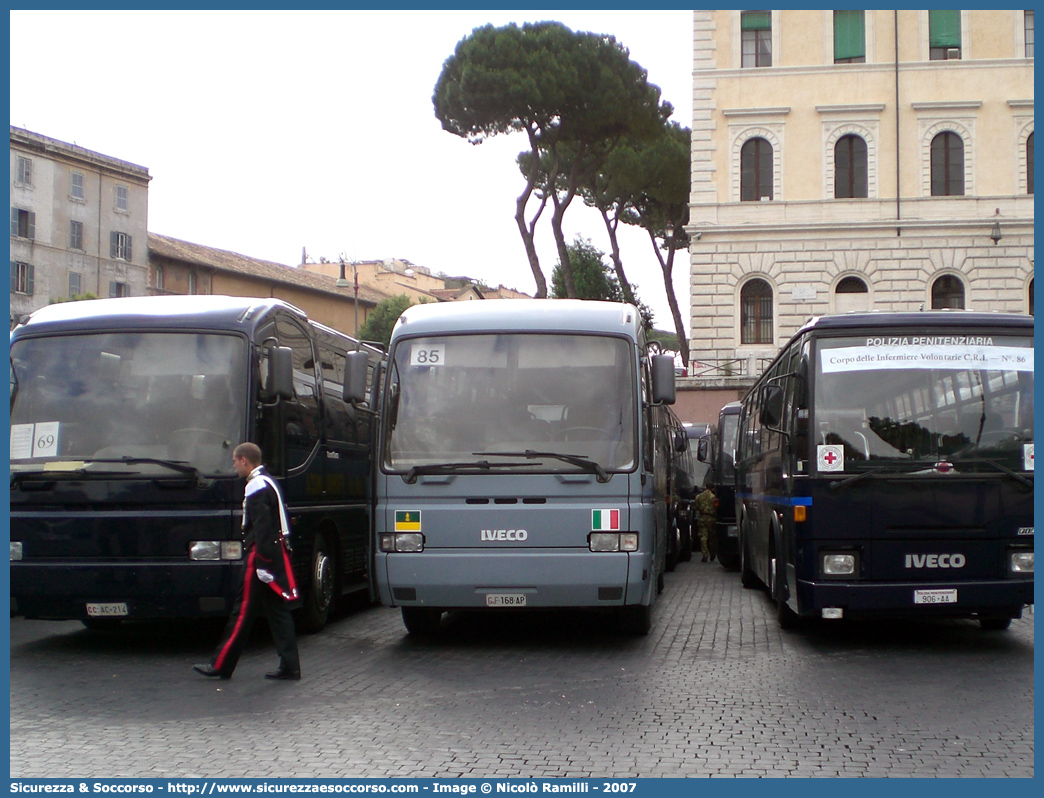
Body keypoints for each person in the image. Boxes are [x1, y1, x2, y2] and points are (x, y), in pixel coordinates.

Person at [193, 442, 301, 681]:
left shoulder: (255, 485)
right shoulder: (267, 480)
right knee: (277, 611)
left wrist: (262, 562)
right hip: (274, 552)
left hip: (260, 554)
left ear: (244, 460)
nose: (233, 465)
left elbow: (262, 527)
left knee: (242, 611)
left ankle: (220, 664)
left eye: (235, 460)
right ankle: (290, 665)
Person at [695, 482, 718, 563]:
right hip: (712, 519)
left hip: (702, 518)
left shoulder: (699, 497)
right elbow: (717, 507)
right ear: (712, 488)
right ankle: (712, 554)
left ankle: (705, 555)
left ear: (706, 487)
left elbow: (696, 507)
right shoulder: (714, 497)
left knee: (703, 537)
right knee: (712, 538)